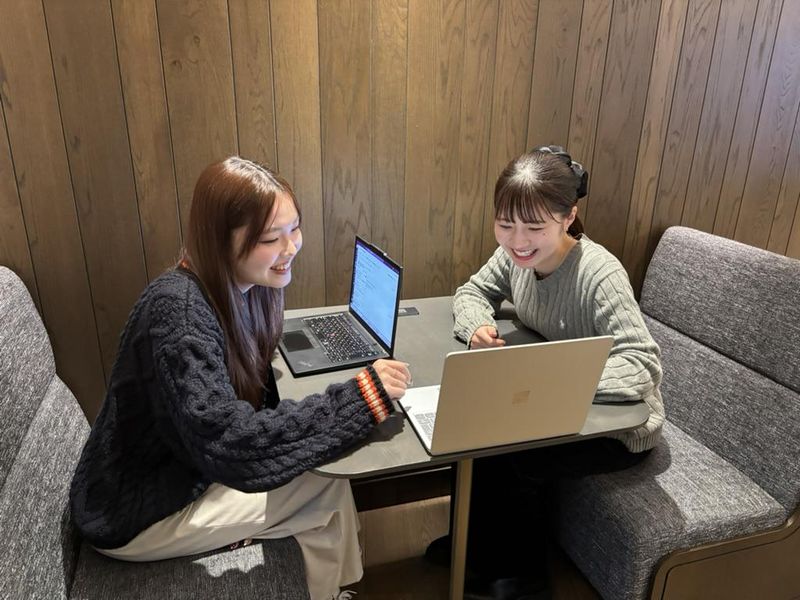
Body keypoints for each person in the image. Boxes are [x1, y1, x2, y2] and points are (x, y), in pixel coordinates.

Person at [69, 156, 413, 600]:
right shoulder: (180, 315)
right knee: (326, 489)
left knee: (323, 478)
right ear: (219, 241)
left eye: (295, 229)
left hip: (184, 469)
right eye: (271, 238)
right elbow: (234, 447)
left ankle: (332, 588)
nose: (291, 247)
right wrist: (360, 398)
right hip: (134, 512)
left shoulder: (240, 290)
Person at [427, 146, 664, 598]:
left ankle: (521, 579)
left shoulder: (599, 274)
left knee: (512, 455)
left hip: (618, 426)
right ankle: (473, 549)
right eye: (505, 224)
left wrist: (554, 381)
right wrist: (476, 326)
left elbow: (642, 365)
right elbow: (473, 291)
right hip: (550, 402)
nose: (518, 240)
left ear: (568, 216)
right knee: (471, 431)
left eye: (534, 227)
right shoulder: (517, 257)